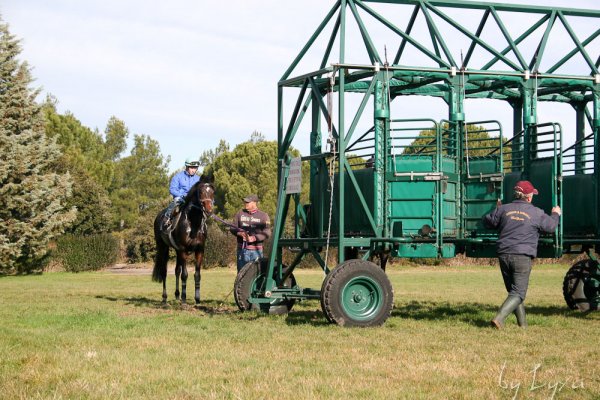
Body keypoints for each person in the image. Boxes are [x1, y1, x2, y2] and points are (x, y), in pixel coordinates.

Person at [483, 180, 561, 329]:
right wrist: (555, 214)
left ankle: (523, 326)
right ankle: (499, 319)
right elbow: (551, 227)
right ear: (529, 197)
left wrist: (497, 210)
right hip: (522, 255)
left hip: (504, 253)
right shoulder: (536, 212)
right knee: (518, 293)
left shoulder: (503, 209)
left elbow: (487, 222)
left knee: (514, 291)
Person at [230, 194, 271, 272]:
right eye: (245, 202)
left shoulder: (263, 216)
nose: (245, 203)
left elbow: (267, 232)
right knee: (241, 276)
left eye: (248, 202)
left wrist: (253, 238)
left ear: (254, 203)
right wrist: (239, 233)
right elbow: (232, 227)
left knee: (256, 275)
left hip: (256, 252)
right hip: (242, 251)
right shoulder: (239, 213)